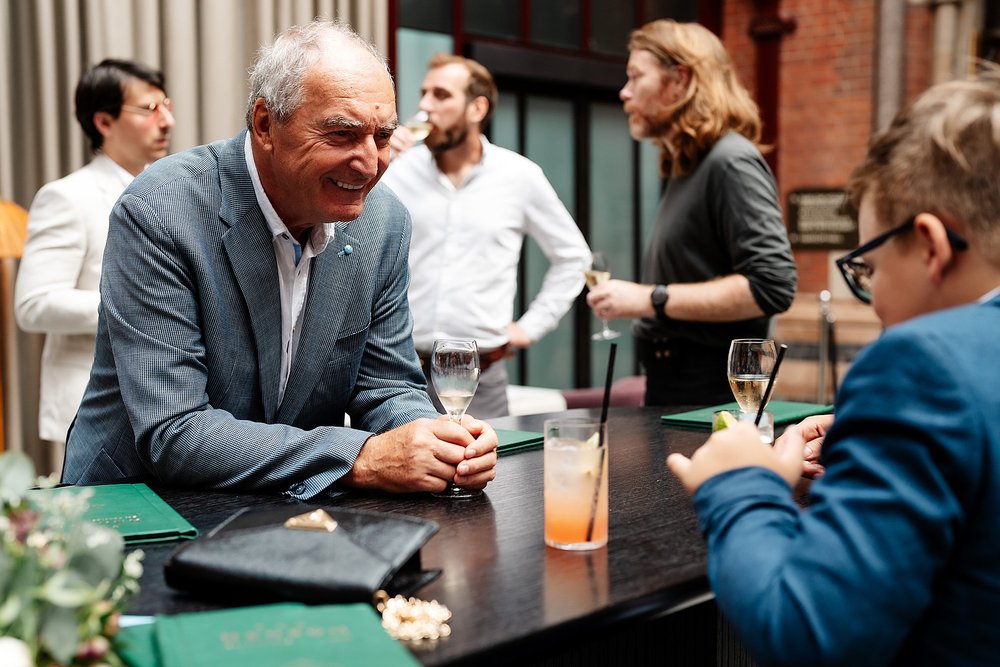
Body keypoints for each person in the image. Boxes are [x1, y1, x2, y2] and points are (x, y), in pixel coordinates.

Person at [61, 20, 498, 499]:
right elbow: (176, 433)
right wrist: (362, 456)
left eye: (382, 137)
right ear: (266, 124)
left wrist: (436, 441)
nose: (369, 164)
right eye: (342, 134)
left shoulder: (384, 222)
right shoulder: (162, 209)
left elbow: (387, 385)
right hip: (141, 510)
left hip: (284, 514)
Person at [667, 69, 1000, 665]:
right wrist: (877, 444)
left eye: (868, 266)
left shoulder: (921, 363)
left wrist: (742, 483)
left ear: (930, 246)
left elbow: (812, 634)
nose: (871, 299)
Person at [586, 20, 796, 406]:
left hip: (709, 387)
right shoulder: (688, 164)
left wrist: (652, 298)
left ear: (679, 80)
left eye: (636, 77)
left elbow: (773, 286)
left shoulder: (730, 161)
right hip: (677, 378)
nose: (625, 91)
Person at [381, 53, 591, 418]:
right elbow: (347, 237)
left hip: (479, 378)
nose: (425, 106)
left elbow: (574, 257)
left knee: (490, 474)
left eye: (442, 95)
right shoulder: (397, 171)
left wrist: (529, 327)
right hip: (399, 374)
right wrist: (378, 163)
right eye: (424, 93)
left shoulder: (519, 176)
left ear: (477, 107)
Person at [15, 59, 174, 467]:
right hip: (90, 404)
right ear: (104, 121)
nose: (167, 120)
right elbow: (33, 305)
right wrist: (139, 307)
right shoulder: (68, 197)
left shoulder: (173, 192)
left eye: (167, 106)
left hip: (166, 402)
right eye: (149, 109)